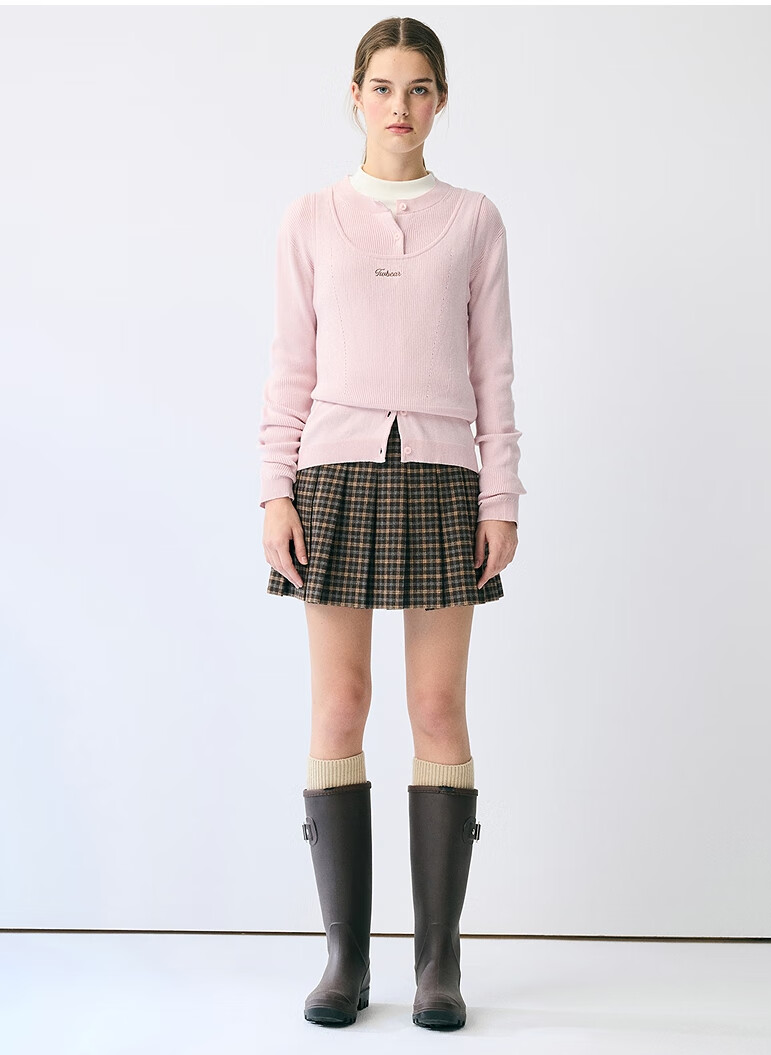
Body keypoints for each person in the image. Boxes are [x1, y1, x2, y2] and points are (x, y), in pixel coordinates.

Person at [257, 17, 526, 1031]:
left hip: (445, 477)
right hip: (330, 474)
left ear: (441, 101)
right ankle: (344, 959)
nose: (400, 107)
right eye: (382, 88)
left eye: (419, 89)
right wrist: (273, 491)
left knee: (437, 706)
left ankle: (437, 966)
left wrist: (501, 496)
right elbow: (289, 365)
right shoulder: (310, 218)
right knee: (340, 703)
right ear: (355, 96)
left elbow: (494, 369)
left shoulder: (475, 220)